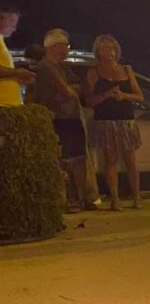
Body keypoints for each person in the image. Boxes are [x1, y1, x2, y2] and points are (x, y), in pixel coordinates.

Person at [34, 29, 96, 211]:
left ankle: (81, 197)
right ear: (55, 47)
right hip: (57, 119)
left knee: (78, 158)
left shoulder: (63, 67)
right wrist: (71, 90)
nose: (68, 49)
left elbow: (79, 88)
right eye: (66, 46)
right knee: (63, 160)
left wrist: (73, 89)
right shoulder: (45, 67)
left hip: (71, 117)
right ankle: (67, 199)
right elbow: (67, 91)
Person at [86, 34, 144, 210]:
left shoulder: (126, 70)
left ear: (116, 50)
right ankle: (115, 199)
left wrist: (124, 96)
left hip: (126, 120)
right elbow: (89, 100)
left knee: (130, 160)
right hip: (105, 121)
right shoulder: (94, 72)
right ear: (97, 52)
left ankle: (136, 197)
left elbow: (140, 96)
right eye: (103, 49)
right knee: (110, 160)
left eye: (111, 48)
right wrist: (106, 95)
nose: (108, 52)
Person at [0, 2, 35, 107]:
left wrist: (16, 78)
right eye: (11, 21)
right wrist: (16, 73)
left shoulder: (1, 41)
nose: (14, 28)